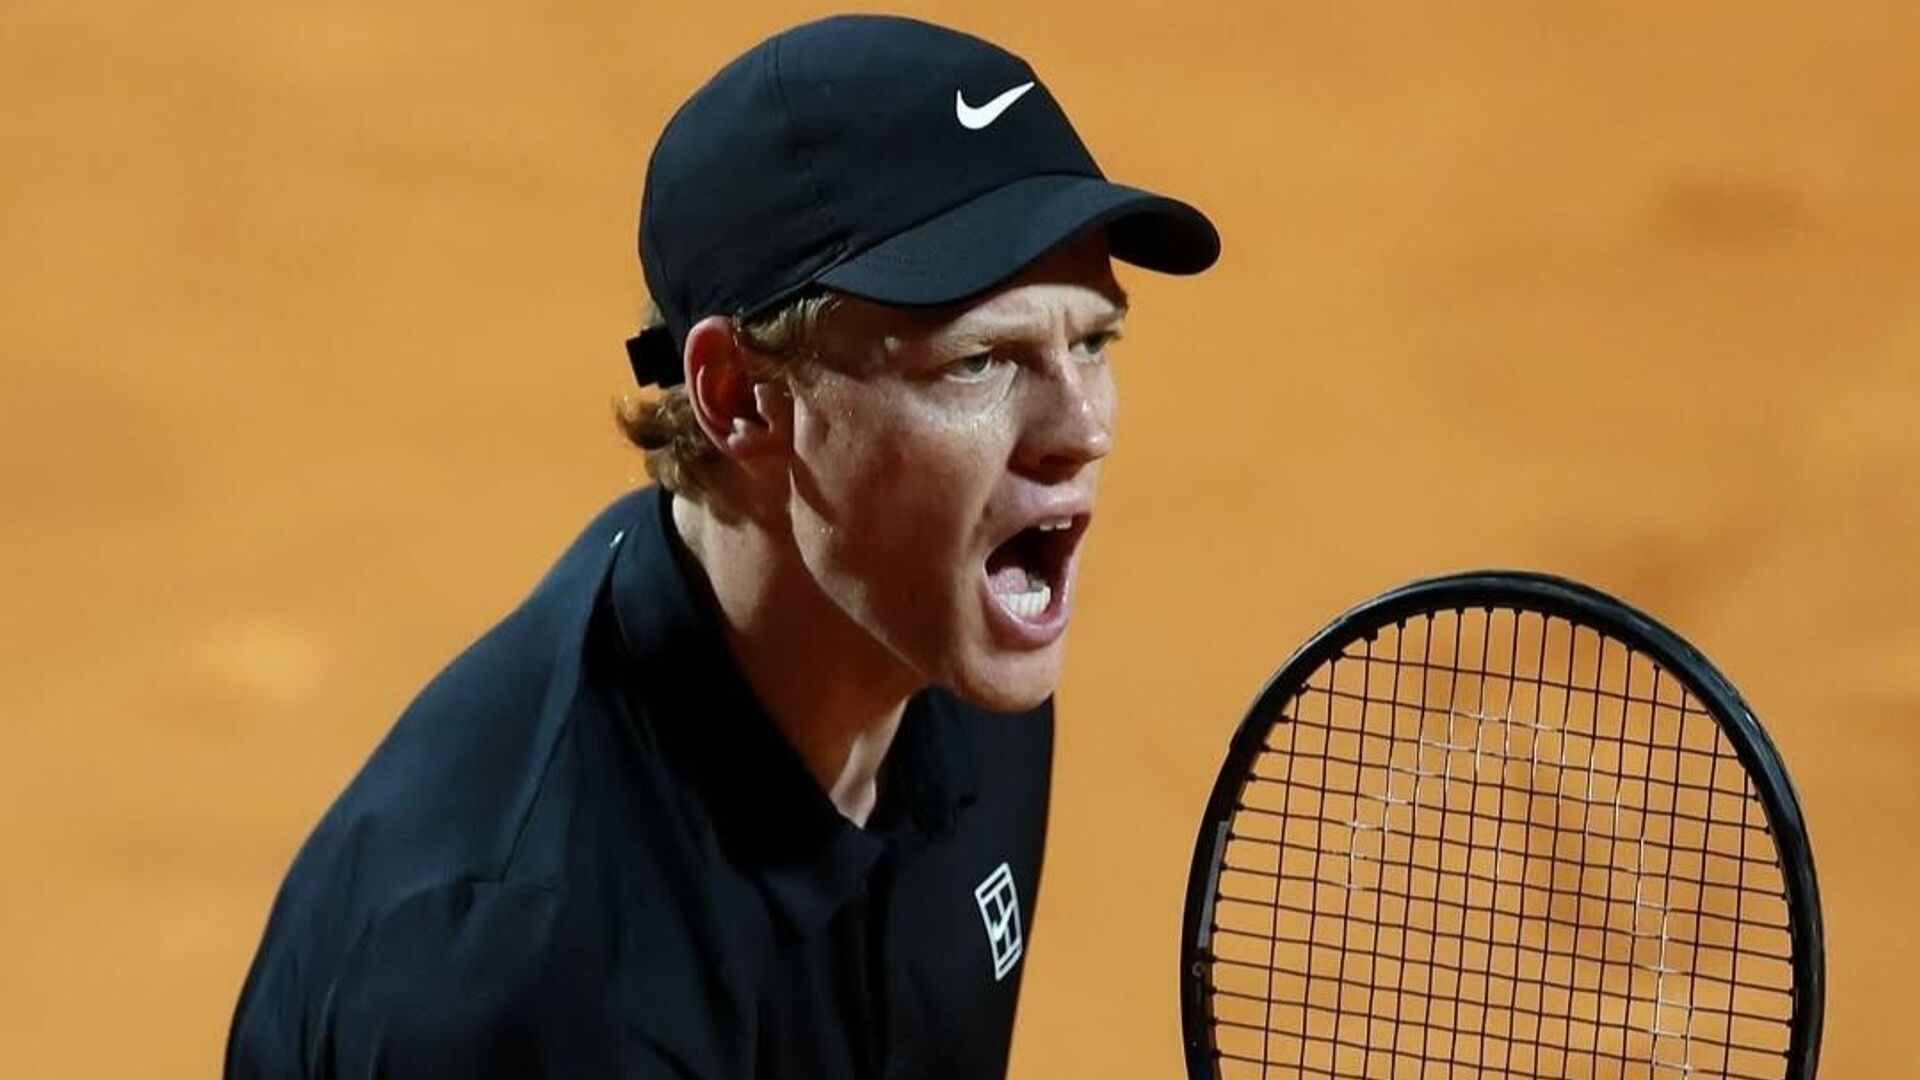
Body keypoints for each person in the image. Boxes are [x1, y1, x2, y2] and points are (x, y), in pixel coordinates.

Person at [224, 14, 1218, 1079]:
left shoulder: (949, 668)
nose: (1083, 428)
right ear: (740, 397)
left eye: (1093, 340)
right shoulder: (540, 984)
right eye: (978, 362)